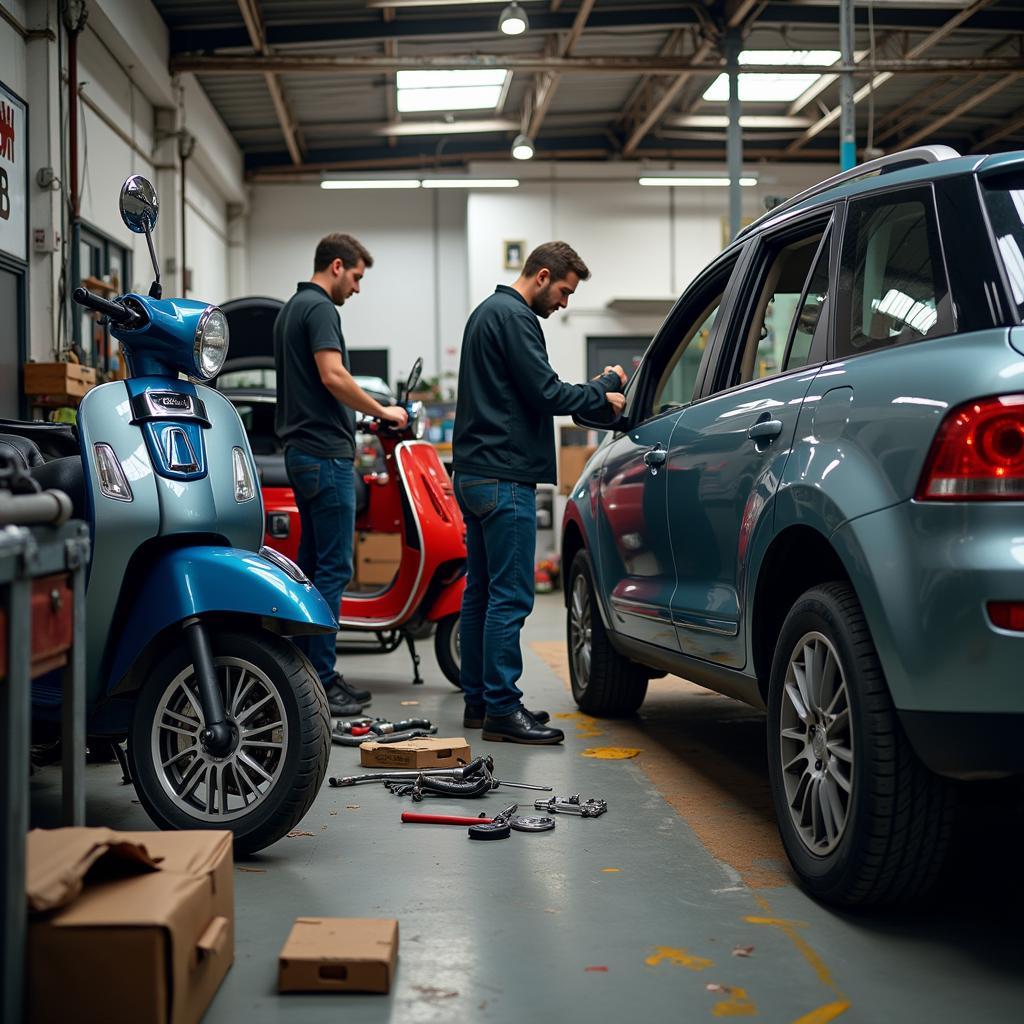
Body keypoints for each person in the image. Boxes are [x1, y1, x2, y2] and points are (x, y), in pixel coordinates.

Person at [452, 241, 627, 744]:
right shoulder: (516, 317)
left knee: (482, 593)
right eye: (565, 292)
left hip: (474, 475)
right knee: (510, 598)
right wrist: (602, 393)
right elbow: (546, 393)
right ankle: (503, 711)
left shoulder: (485, 314)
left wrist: (589, 389)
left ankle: (480, 702)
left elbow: (527, 391)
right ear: (544, 275)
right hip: (505, 477)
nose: (565, 303)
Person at [274, 233, 409, 716]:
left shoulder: (291, 308)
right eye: (355, 277)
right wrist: (384, 411)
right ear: (336, 266)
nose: (356, 289)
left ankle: (307, 676)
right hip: (325, 457)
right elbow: (333, 376)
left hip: (303, 453)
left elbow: (318, 386)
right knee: (333, 570)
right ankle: (324, 681)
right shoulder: (320, 309)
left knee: (311, 573)